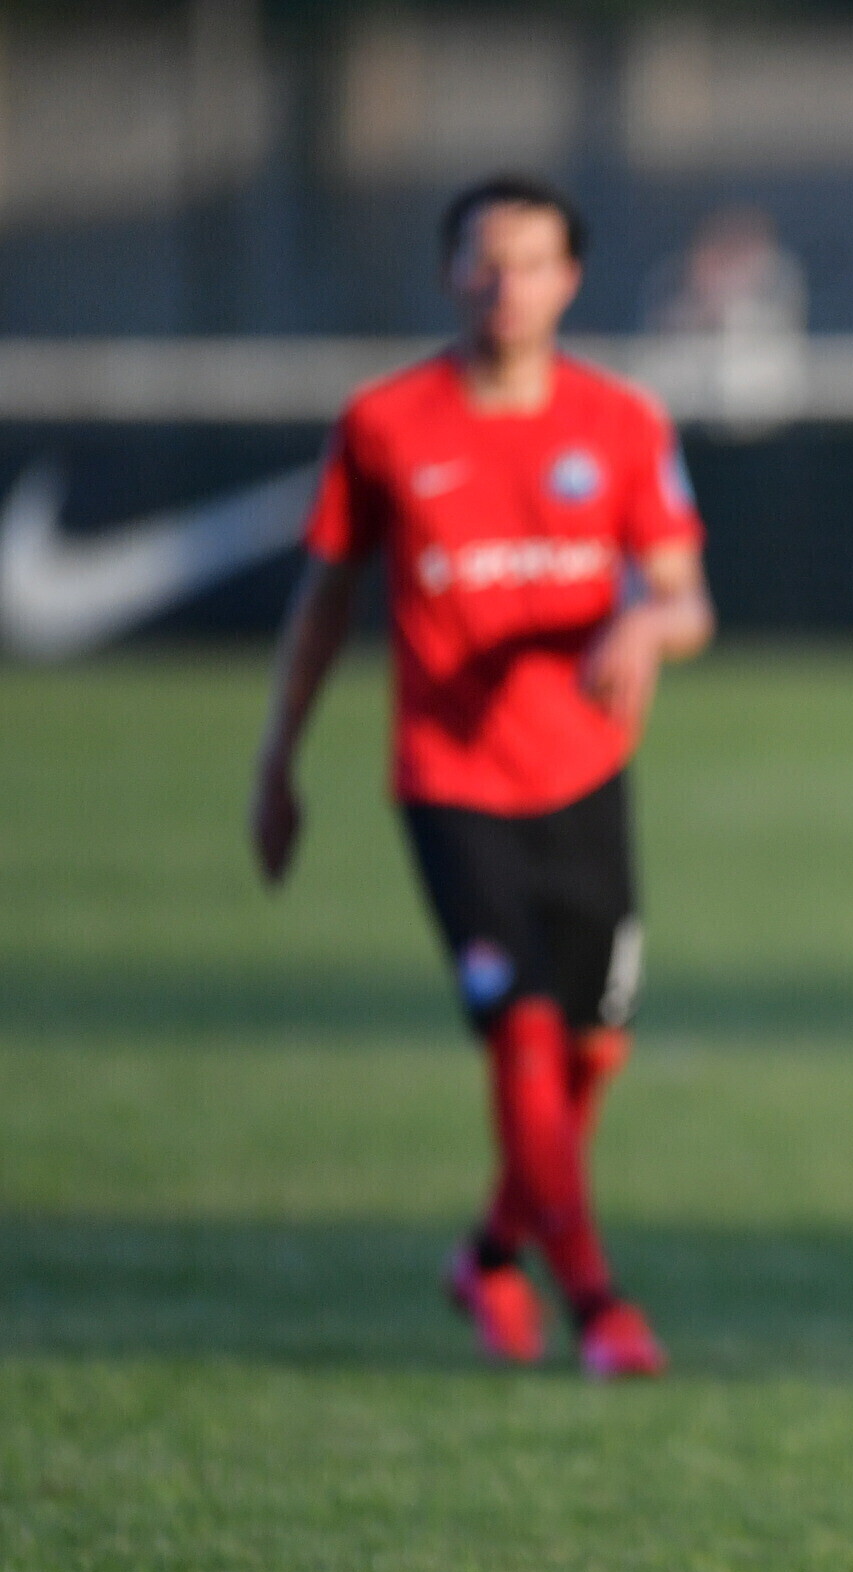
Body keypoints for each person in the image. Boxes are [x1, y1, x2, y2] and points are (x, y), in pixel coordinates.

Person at [248, 173, 712, 1379]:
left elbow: (687, 600)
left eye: (531, 263)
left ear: (571, 281)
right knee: (522, 1031)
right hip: (450, 781)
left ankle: (491, 1251)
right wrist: (278, 760)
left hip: (586, 775)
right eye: (485, 262)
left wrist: (642, 624)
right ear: (451, 274)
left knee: (593, 1050)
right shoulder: (387, 425)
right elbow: (324, 603)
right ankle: (600, 1305)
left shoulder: (621, 423)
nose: (507, 286)